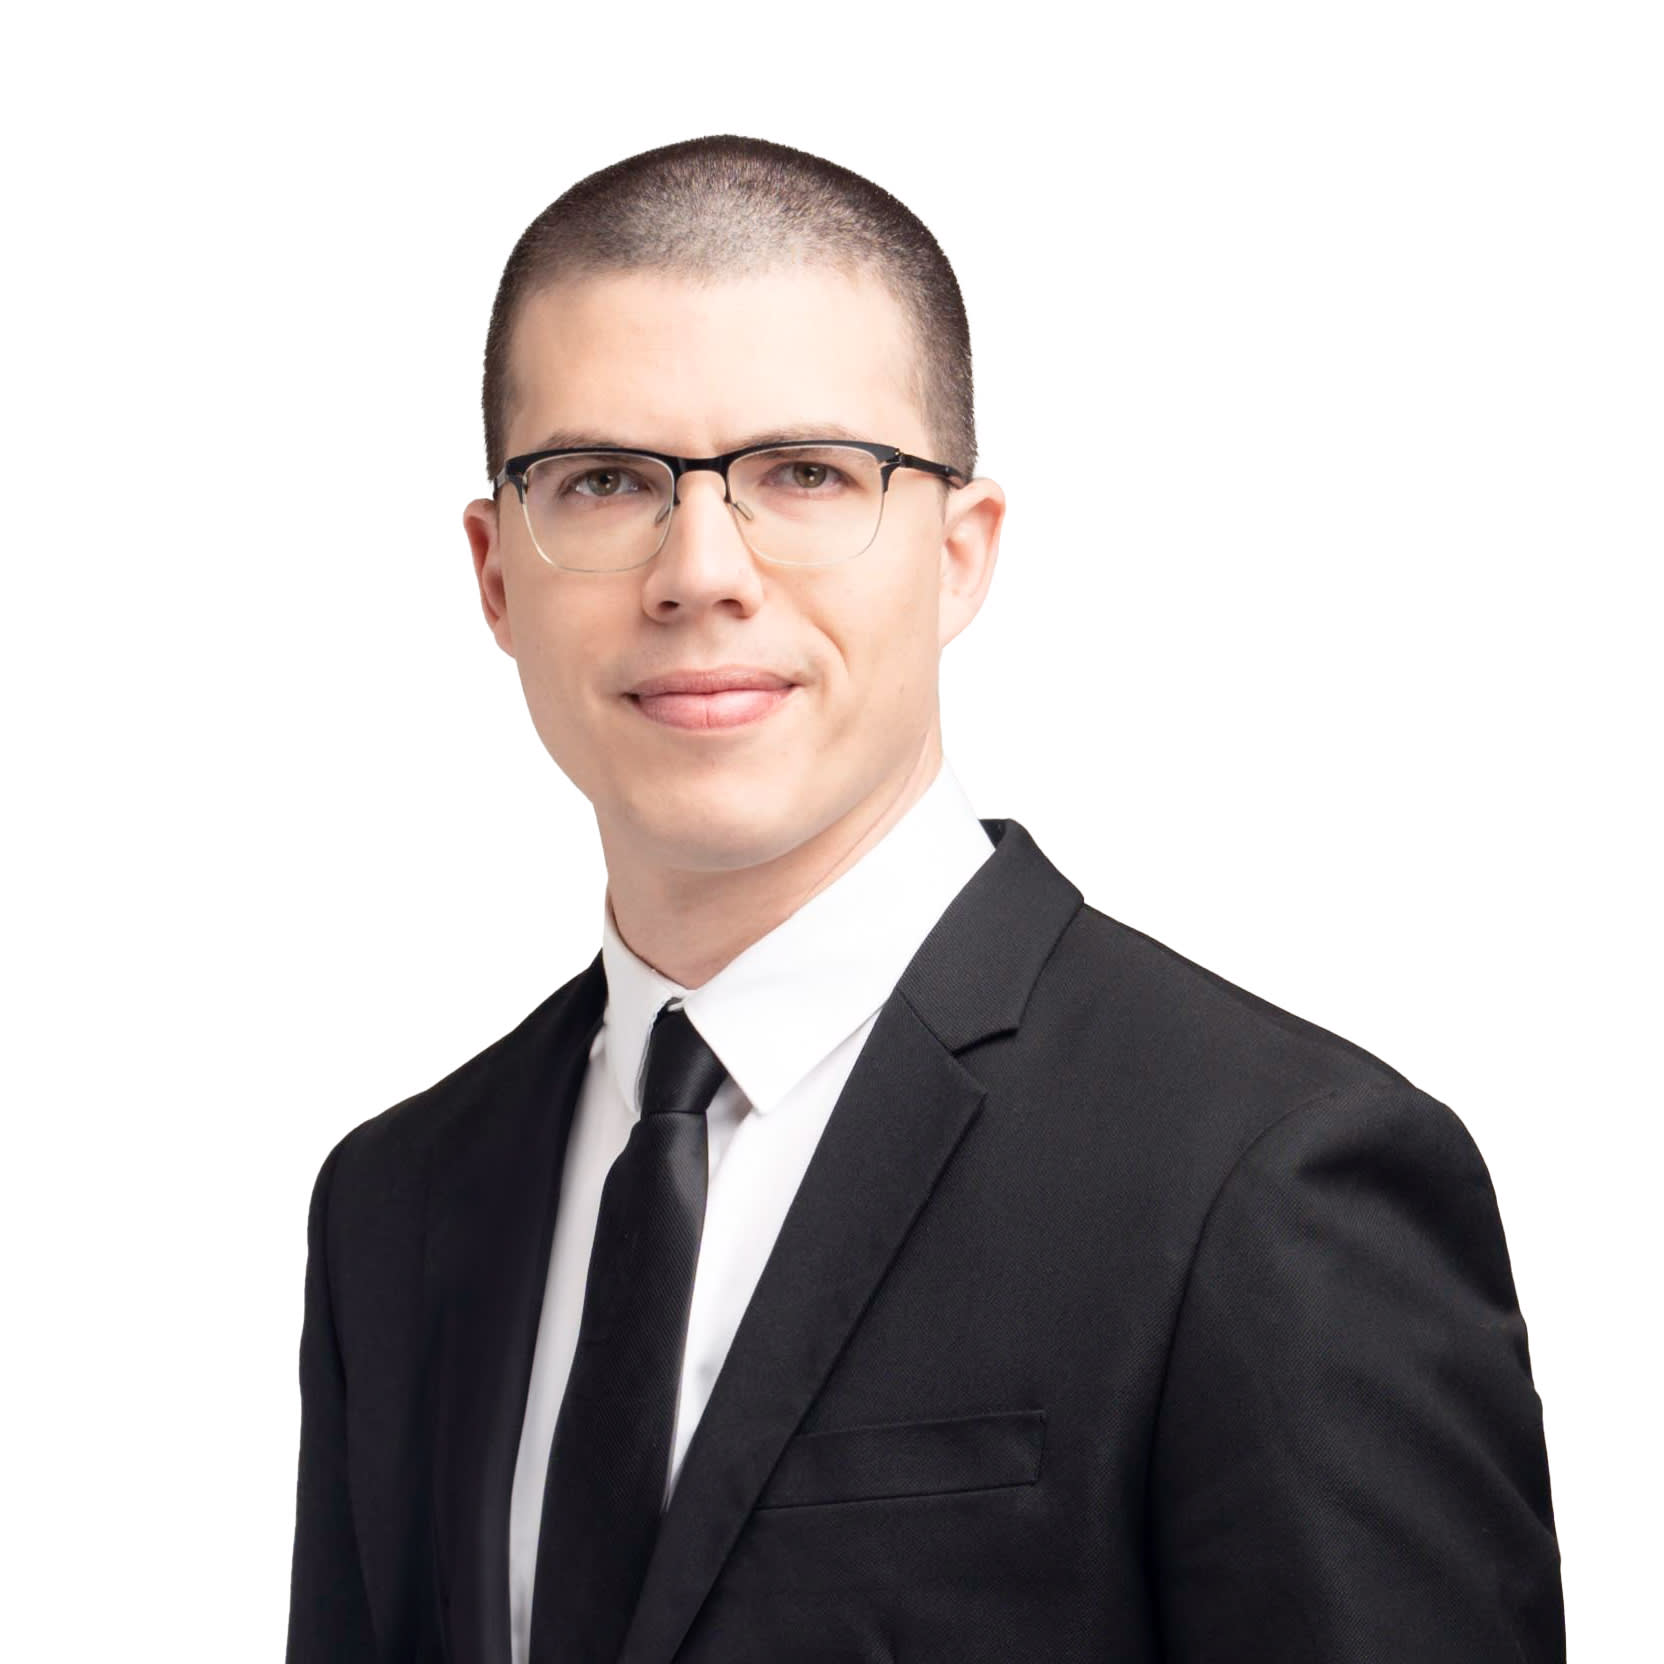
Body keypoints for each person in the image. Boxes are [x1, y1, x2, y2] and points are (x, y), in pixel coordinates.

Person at [285, 134, 1564, 1663]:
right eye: (606, 480)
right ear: (496, 571)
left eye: (805, 474)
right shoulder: (398, 1204)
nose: (701, 571)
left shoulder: (1265, 1183)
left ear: (962, 555)